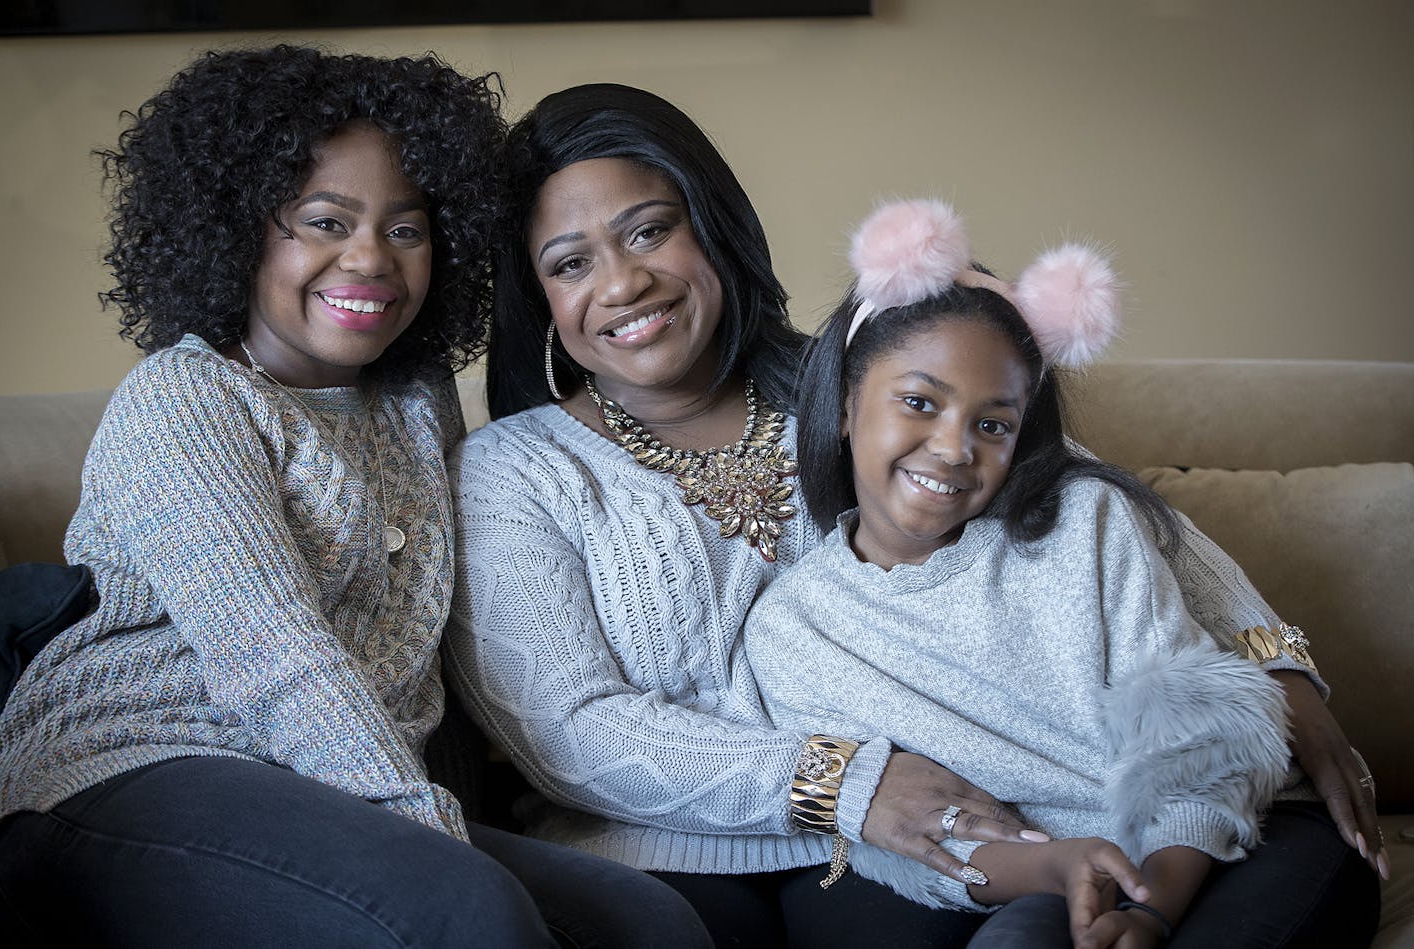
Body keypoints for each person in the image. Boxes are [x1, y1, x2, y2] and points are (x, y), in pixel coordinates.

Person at [445, 83, 1384, 947]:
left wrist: (1273, 671)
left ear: (712, 225)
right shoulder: (515, 472)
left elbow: (1090, 498)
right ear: (542, 300)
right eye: (571, 263)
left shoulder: (857, 380)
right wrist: (848, 783)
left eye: (649, 232)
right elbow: (571, 731)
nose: (622, 283)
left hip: (965, 823)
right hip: (698, 851)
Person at [0, 47, 708, 949]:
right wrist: (440, 840)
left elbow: (428, 652)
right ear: (239, 228)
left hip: (338, 792)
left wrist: (470, 811)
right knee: (462, 911)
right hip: (129, 768)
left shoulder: (416, 400)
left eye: (406, 229)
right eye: (325, 222)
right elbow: (278, 660)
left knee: (650, 923)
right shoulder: (187, 397)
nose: (370, 258)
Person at [744, 198, 1383, 948]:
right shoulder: (794, 631)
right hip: (1058, 870)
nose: (953, 449)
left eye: (993, 424)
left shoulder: (1086, 524)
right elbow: (905, 843)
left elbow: (1202, 756)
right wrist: (1059, 868)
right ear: (848, 403)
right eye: (919, 402)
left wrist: (1149, 910)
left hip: (1238, 837)